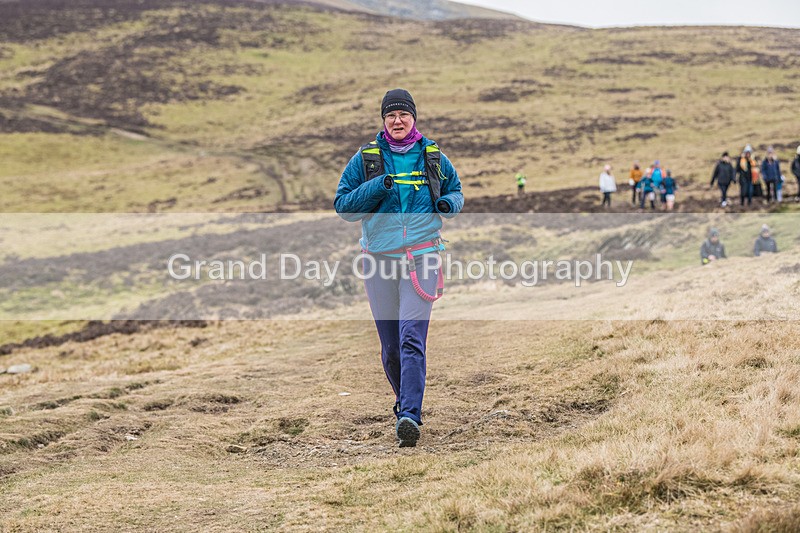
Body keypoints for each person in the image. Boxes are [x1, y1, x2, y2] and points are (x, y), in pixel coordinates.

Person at [335, 89, 463, 448]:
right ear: (383, 120)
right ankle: (402, 402)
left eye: (403, 114)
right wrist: (379, 185)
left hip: (423, 255)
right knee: (391, 347)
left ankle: (410, 415)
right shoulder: (366, 158)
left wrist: (447, 204)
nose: (397, 121)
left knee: (410, 336)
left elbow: (456, 190)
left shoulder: (433, 154)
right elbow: (343, 206)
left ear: (414, 118)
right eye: (390, 115)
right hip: (378, 260)